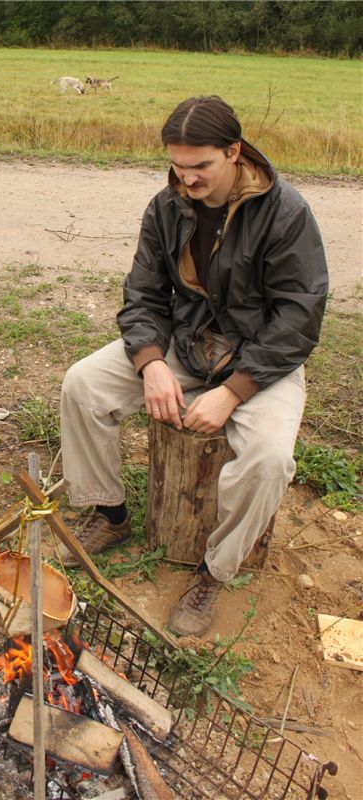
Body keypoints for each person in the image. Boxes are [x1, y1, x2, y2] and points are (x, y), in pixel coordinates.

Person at [58, 95, 328, 637]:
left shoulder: (286, 213)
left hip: (261, 359)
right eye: (178, 166)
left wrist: (235, 390)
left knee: (270, 458)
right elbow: (142, 295)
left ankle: (213, 570)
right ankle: (110, 515)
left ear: (234, 152)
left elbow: (299, 317)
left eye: (200, 166)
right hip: (183, 345)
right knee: (83, 385)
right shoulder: (167, 206)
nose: (187, 179)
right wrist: (151, 361)